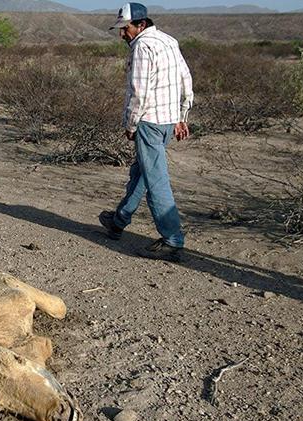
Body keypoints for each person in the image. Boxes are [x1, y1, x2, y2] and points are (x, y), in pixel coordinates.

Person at [100, 2, 194, 263]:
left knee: (156, 181)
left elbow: (139, 92)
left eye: (126, 28)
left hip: (149, 122)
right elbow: (186, 79)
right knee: (143, 172)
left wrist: (131, 124)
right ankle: (118, 221)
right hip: (167, 122)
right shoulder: (169, 41)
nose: (122, 34)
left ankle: (172, 240)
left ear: (141, 25)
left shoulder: (142, 46)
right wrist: (181, 116)